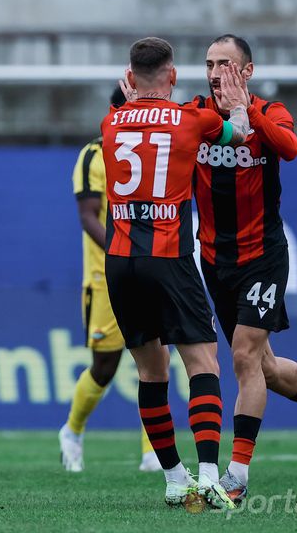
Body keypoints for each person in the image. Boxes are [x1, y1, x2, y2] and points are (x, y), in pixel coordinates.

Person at [192, 34, 297, 503]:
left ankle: (237, 477)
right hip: (213, 259)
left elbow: (290, 148)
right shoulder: (198, 113)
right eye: (209, 63)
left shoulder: (272, 111)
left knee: (244, 357)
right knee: (262, 368)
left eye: (224, 63)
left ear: (246, 71)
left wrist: (251, 115)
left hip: (262, 256)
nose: (214, 72)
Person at [102, 37, 250, 509]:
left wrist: (131, 106)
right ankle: (208, 475)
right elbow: (240, 135)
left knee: (151, 371)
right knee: (203, 363)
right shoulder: (193, 118)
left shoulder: (109, 122)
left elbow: (136, 126)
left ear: (130, 76)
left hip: (120, 261)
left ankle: (172, 478)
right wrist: (239, 107)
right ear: (172, 74)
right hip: (168, 255)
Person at [60, 87, 160, 474]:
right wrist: (123, 251)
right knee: (105, 367)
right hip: (105, 278)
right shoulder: (93, 155)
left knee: (155, 360)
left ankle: (153, 451)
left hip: (149, 272)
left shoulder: (155, 152)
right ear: (115, 111)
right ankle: (72, 430)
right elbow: (88, 216)